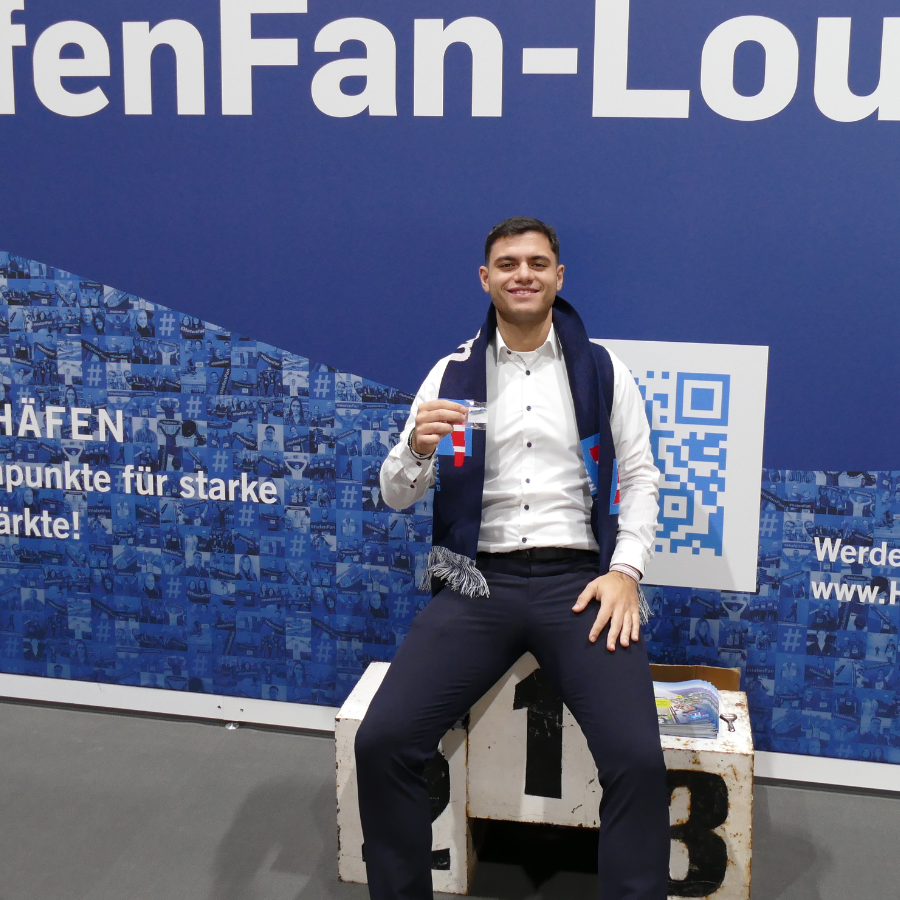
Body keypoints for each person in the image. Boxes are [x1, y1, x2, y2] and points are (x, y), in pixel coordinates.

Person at [354, 217, 668, 900]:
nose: (522, 274)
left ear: (559, 275)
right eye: (507, 264)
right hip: (476, 583)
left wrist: (626, 572)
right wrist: (417, 449)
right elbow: (396, 494)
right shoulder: (451, 374)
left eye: (536, 263)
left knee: (639, 761)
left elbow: (641, 478)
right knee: (382, 742)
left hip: (578, 584)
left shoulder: (602, 370)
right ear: (485, 278)